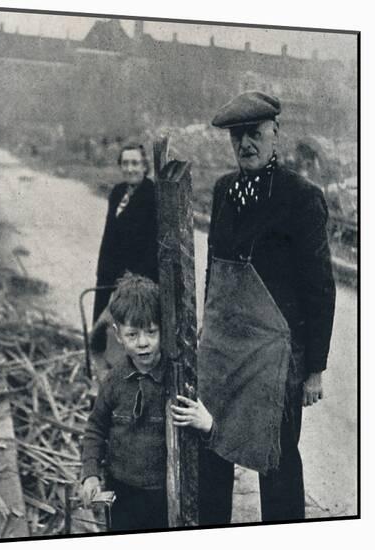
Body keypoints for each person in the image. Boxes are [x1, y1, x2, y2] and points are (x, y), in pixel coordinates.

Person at [183, 91, 336, 525]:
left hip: (278, 357)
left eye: (254, 134)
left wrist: (315, 369)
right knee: (213, 447)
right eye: (237, 137)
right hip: (225, 350)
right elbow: (216, 268)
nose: (245, 144)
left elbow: (320, 288)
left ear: (275, 134)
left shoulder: (301, 197)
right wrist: (207, 333)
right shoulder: (224, 190)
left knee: (278, 460)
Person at [81, 274, 211, 532]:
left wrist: (207, 425)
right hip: (121, 490)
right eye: (132, 334)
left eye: (151, 332)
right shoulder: (114, 381)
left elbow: (208, 440)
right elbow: (95, 429)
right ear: (118, 335)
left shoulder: (180, 381)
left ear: (163, 328)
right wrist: (91, 473)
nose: (143, 343)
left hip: (166, 493)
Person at [92, 143, 158, 323]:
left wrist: (131, 280)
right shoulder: (118, 192)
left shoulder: (153, 195)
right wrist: (103, 271)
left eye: (135, 163)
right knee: (101, 329)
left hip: (137, 280)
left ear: (145, 166)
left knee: (130, 328)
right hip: (109, 273)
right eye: (125, 163)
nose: (130, 169)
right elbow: (109, 236)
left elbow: (153, 246)